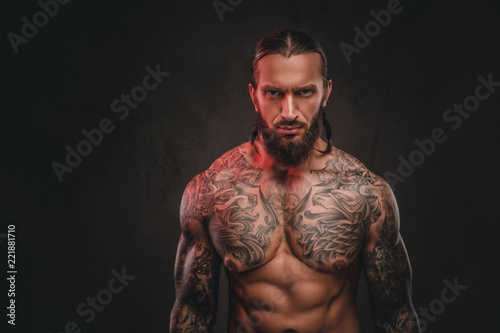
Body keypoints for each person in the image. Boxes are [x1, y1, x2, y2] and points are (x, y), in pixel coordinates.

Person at [170, 28, 420, 333]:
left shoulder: (366, 194)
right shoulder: (211, 191)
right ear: (254, 95)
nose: (289, 112)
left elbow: (395, 317)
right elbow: (193, 315)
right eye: (274, 93)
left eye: (304, 92)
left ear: (326, 93)